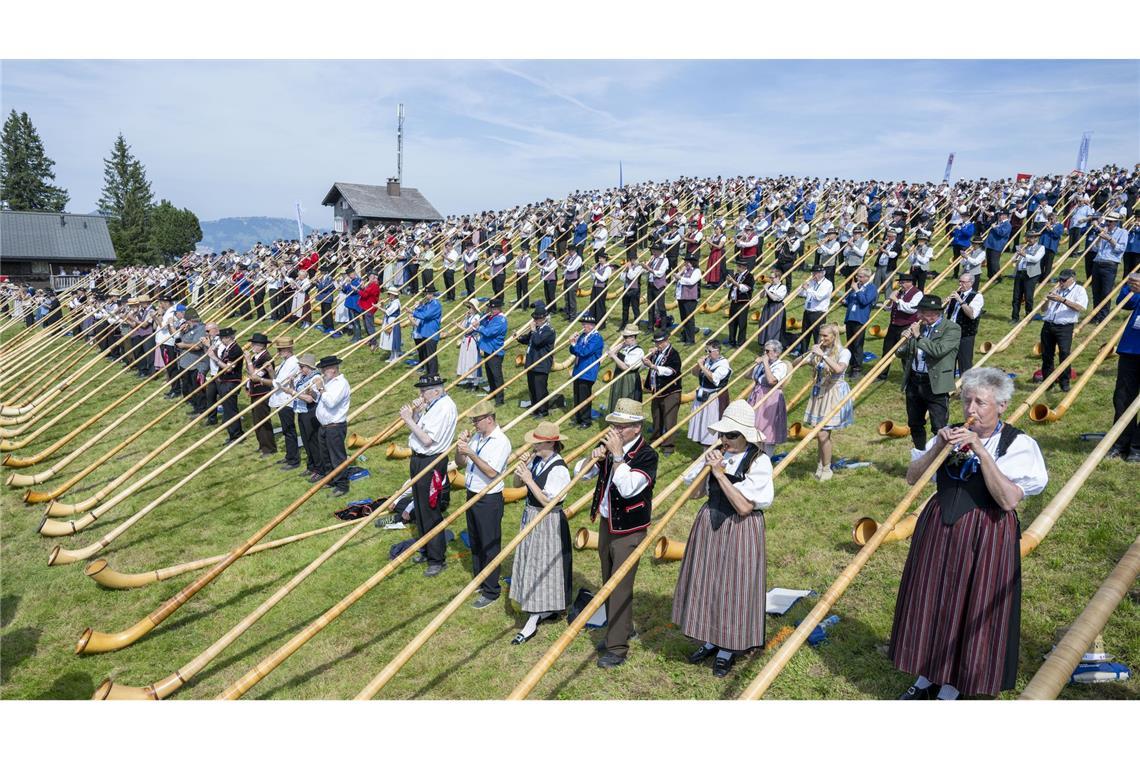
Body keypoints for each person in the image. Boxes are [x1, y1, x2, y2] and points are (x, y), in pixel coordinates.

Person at [891, 367, 1048, 700]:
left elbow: (1007, 499)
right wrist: (938, 448)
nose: (971, 410)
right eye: (966, 401)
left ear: (1001, 406)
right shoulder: (949, 433)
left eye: (980, 403)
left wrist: (980, 449)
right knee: (931, 601)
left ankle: (955, 684)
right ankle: (925, 676)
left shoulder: (1019, 444)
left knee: (969, 605)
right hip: (939, 528)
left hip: (985, 534)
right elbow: (912, 477)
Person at [673, 399, 774, 677]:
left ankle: (728, 647)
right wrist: (706, 469)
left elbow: (743, 506)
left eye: (731, 435)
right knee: (707, 581)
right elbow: (694, 494)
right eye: (722, 434)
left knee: (734, 586)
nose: (724, 439)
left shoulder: (759, 461)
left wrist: (720, 474)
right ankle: (709, 638)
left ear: (745, 436)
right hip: (711, 522)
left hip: (740, 528)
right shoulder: (716, 453)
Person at [577, 398, 659, 669]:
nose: (614, 431)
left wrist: (617, 457)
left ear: (636, 427)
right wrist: (592, 460)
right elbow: (583, 475)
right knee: (608, 583)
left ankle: (617, 647)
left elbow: (628, 487)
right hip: (607, 524)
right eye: (613, 425)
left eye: (620, 427)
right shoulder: (612, 449)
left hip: (629, 530)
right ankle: (620, 629)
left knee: (619, 587)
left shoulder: (647, 455)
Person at [509, 421, 573, 644]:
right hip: (531, 516)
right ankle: (539, 606)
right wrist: (521, 472)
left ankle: (536, 614)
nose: (533, 447)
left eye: (537, 444)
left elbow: (549, 500)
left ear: (550, 443)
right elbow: (518, 485)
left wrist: (529, 479)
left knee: (542, 565)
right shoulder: (537, 460)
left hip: (547, 521)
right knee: (530, 561)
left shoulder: (559, 469)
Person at [454, 400, 513, 609]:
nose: (474, 424)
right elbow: (461, 464)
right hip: (472, 493)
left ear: (489, 419)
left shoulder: (501, 441)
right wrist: (460, 449)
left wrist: (471, 452)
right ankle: (480, 579)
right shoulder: (478, 437)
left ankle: (491, 590)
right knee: (476, 540)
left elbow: (491, 472)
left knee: (489, 545)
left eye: (476, 420)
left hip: (489, 499)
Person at [399, 374, 458, 576]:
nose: (420, 394)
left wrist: (407, 420)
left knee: (430, 510)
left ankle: (437, 559)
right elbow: (420, 430)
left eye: (424, 391)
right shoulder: (433, 405)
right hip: (419, 459)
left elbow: (427, 440)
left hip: (430, 461)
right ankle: (425, 547)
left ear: (436, 390)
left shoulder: (444, 407)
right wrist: (415, 414)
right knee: (420, 506)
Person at [898, 295, 962, 451]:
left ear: (934, 313)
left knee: (939, 426)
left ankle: (938, 461)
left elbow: (938, 351)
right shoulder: (921, 328)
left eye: (921, 313)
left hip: (935, 383)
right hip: (914, 381)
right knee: (915, 423)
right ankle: (920, 454)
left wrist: (918, 336)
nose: (918, 316)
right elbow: (903, 353)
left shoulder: (952, 329)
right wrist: (904, 341)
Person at [800, 323, 854, 481]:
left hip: (834, 393)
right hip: (820, 392)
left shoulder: (844, 352)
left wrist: (822, 356)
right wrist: (807, 355)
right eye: (820, 335)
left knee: (823, 434)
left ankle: (827, 467)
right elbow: (796, 364)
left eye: (825, 336)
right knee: (820, 433)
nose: (822, 338)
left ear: (834, 336)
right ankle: (821, 464)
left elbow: (838, 369)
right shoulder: (820, 350)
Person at [1107, 272, 1140, 462]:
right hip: (1131, 348)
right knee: (1122, 398)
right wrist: (1129, 285)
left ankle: (1137, 446)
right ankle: (1120, 442)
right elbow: (1125, 302)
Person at [1038, 268, 1088, 392]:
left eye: (1064, 280)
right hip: (1048, 325)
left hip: (1064, 327)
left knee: (1064, 355)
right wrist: (1047, 300)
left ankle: (1064, 382)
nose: (1061, 282)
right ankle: (1047, 382)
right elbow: (1043, 310)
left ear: (1073, 279)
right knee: (1047, 355)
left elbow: (1080, 308)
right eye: (1060, 279)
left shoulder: (1079, 290)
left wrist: (1062, 300)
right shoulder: (1057, 289)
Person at [313, 355, 351, 497]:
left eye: (324, 369)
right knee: (326, 456)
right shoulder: (328, 381)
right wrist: (313, 392)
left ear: (333, 369)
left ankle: (342, 485)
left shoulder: (341, 384)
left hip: (335, 426)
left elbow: (331, 402)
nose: (322, 372)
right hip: (324, 426)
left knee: (337, 457)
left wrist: (321, 389)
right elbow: (320, 400)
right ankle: (331, 480)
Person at [878, 271, 923, 381]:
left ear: (910, 283)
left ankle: (908, 377)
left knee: (905, 353)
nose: (900, 285)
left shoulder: (917, 293)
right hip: (894, 325)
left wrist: (896, 300)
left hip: (907, 326)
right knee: (887, 350)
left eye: (902, 282)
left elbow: (911, 309)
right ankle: (882, 374)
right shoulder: (899, 293)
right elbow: (890, 308)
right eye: (900, 282)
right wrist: (889, 303)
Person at [643, 329, 682, 456]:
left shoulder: (673, 354)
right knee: (656, 417)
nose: (657, 345)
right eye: (656, 343)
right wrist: (648, 357)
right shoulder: (656, 353)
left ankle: (668, 446)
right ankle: (655, 440)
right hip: (657, 391)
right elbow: (646, 366)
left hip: (670, 392)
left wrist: (653, 366)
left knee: (669, 419)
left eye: (659, 343)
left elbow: (671, 371)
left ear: (666, 341)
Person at [747, 340, 789, 456]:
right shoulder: (762, 364)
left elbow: (772, 381)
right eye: (764, 350)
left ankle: (766, 458)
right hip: (757, 396)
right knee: (755, 428)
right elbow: (747, 376)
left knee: (767, 430)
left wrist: (765, 363)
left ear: (776, 353)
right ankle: (754, 457)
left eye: (767, 351)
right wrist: (755, 365)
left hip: (770, 399)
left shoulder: (780, 366)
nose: (764, 353)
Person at [687, 340, 732, 445]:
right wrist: (698, 365)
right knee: (701, 421)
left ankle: (711, 447)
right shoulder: (708, 360)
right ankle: (703, 448)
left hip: (714, 396)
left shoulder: (723, 364)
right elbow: (694, 373)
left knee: (710, 422)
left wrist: (702, 367)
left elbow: (714, 379)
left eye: (709, 351)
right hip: (702, 394)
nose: (707, 353)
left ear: (717, 351)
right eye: (706, 350)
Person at [268, 336, 302, 470]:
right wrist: (271, 372)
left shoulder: (293, 362)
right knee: (286, 430)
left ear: (288, 349)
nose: (279, 352)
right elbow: (277, 380)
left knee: (289, 430)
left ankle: (294, 460)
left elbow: (279, 383)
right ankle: (289, 456)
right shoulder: (285, 361)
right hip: (281, 399)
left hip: (287, 400)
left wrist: (260, 379)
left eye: (281, 350)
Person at [517, 301, 556, 416]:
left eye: (537, 319)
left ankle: (543, 411)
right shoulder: (537, 329)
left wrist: (533, 330)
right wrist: (518, 337)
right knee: (532, 388)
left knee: (540, 389)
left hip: (541, 364)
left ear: (544, 319)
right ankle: (535, 408)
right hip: (532, 362)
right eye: (535, 319)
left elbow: (537, 341)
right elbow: (528, 339)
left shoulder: (548, 330)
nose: (535, 321)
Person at [1089, 212, 1129, 323]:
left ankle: (1103, 317)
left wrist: (1109, 239)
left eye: (1110, 221)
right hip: (1098, 262)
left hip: (1110, 264)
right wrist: (1098, 239)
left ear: (1116, 222)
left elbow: (1120, 249)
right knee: (1096, 291)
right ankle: (1095, 315)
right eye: (1107, 221)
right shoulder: (1103, 231)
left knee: (1106, 292)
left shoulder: (1123, 232)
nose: (1108, 223)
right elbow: (1095, 249)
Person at [244, 333, 278, 457]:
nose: (252, 346)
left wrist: (248, 361)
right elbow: (249, 373)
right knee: (256, 420)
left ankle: (269, 448)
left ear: (262, 346)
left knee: (262, 421)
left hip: (262, 392)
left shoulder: (266, 358)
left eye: (255, 344)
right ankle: (262, 444)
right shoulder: (256, 357)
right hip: (255, 392)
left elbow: (254, 377)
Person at [568, 312, 604, 428]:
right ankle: (578, 418)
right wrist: (573, 344)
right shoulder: (584, 336)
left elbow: (584, 352)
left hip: (588, 372)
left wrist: (574, 345)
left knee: (584, 397)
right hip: (578, 370)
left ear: (592, 325)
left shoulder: (596, 338)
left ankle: (586, 420)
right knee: (577, 395)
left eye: (585, 324)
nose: (583, 326)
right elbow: (574, 351)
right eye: (583, 324)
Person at [945, 273, 984, 376]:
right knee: (948, 363)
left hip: (965, 335)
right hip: (950, 333)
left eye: (963, 282)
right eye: (960, 281)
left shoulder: (977, 296)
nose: (960, 284)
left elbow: (971, 314)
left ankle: (965, 390)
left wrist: (960, 301)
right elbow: (947, 313)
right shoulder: (956, 294)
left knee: (965, 364)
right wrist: (946, 303)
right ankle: (948, 389)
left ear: (971, 283)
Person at [292, 353, 323, 479]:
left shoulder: (316, 378)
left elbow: (310, 399)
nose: (300, 369)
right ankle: (311, 466)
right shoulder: (304, 378)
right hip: (302, 411)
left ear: (308, 367)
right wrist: (290, 385)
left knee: (313, 441)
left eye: (302, 366)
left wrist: (293, 392)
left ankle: (319, 468)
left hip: (311, 412)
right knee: (306, 440)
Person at [210, 326, 244, 444]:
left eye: (222, 338)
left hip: (231, 382)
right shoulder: (228, 348)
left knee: (231, 410)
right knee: (228, 409)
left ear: (227, 338)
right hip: (225, 381)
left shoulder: (235, 350)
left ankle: (236, 435)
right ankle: (233, 433)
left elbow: (229, 368)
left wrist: (214, 358)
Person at [842, 267, 877, 380]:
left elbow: (864, 301)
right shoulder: (857, 286)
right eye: (858, 276)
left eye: (861, 276)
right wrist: (845, 301)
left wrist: (857, 290)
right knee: (850, 344)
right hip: (850, 318)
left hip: (860, 319)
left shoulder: (871, 288)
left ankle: (857, 369)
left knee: (857, 345)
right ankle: (851, 366)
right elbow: (850, 299)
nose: (858, 278)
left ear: (867, 277)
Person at [795, 265, 834, 354]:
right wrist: (802, 288)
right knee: (805, 334)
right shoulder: (812, 282)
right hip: (808, 311)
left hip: (818, 313)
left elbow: (819, 297)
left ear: (821, 273)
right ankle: (803, 353)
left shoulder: (827, 284)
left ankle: (818, 354)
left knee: (818, 335)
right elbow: (803, 294)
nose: (813, 275)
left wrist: (808, 289)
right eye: (813, 273)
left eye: (815, 273)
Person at [606, 325, 645, 414]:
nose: (624, 339)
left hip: (629, 379)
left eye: (625, 337)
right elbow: (610, 354)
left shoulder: (638, 351)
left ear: (632, 337)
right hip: (619, 376)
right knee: (616, 397)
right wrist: (621, 346)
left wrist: (614, 357)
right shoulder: (625, 347)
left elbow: (625, 367)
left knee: (626, 400)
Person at [476, 297, 508, 404]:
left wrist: (479, 328)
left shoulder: (500, 320)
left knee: (496, 375)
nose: (491, 310)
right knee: (489, 373)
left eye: (492, 309)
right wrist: (483, 315)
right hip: (488, 349)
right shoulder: (492, 317)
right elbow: (483, 323)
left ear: (499, 308)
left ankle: (500, 398)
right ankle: (493, 392)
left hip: (495, 351)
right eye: (490, 308)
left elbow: (489, 332)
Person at [1010, 231, 1046, 322]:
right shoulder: (1022, 247)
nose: (1029, 239)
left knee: (1028, 297)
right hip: (1019, 273)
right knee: (1016, 297)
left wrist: (1024, 254)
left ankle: (1028, 317)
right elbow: (1013, 260)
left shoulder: (1041, 248)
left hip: (1031, 274)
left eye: (1031, 237)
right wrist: (1016, 255)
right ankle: (1015, 317)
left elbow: (1035, 259)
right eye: (1028, 237)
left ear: (1036, 238)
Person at [411, 286, 442, 376]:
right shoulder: (427, 303)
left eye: (427, 294)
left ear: (431, 294)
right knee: (426, 355)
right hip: (424, 332)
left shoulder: (436, 304)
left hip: (431, 333)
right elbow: (421, 311)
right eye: (425, 293)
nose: (425, 295)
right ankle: (428, 372)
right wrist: (418, 306)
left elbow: (426, 315)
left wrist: (413, 313)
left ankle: (433, 374)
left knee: (431, 355)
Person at [724, 257, 754, 348]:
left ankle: (741, 342)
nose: (737, 267)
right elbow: (728, 286)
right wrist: (728, 281)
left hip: (742, 302)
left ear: (744, 267)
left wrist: (734, 282)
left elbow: (745, 288)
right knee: (732, 322)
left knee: (742, 323)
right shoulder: (737, 275)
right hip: (734, 301)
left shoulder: (749, 276)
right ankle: (731, 341)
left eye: (739, 266)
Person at [757, 264, 788, 348]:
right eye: (770, 278)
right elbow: (761, 296)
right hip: (768, 307)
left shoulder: (783, 287)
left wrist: (767, 290)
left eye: (772, 278)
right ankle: (764, 344)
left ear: (778, 278)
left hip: (776, 308)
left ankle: (773, 346)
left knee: (773, 327)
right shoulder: (770, 285)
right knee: (765, 326)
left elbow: (775, 298)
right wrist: (764, 289)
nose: (771, 279)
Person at [675, 253, 702, 344]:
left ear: (692, 262)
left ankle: (691, 339)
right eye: (685, 261)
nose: (685, 263)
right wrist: (680, 273)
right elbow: (676, 279)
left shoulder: (697, 271)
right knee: (683, 318)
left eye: (687, 262)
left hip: (690, 298)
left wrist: (680, 277)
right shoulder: (685, 271)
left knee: (689, 319)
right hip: (682, 297)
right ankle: (685, 336)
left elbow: (691, 282)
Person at [456, 299, 482, 387]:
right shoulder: (470, 317)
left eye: (470, 307)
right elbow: (463, 326)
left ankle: (475, 383)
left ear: (474, 308)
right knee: (466, 360)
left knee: (472, 360)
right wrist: (464, 318)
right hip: (466, 340)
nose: (469, 309)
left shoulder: (476, 317)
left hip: (472, 341)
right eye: (468, 307)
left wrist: (456, 325)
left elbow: (468, 331)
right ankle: (469, 380)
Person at [618, 250, 643, 329]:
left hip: (635, 290)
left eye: (633, 259)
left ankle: (637, 324)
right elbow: (622, 278)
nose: (631, 261)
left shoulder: (639, 267)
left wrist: (629, 268)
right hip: (626, 288)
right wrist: (625, 270)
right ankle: (624, 324)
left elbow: (632, 276)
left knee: (635, 308)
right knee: (625, 308)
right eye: (630, 259)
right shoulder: (629, 267)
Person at [378, 286, 402, 363]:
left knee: (394, 339)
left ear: (393, 295)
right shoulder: (392, 302)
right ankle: (392, 356)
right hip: (389, 321)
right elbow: (386, 309)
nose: (388, 296)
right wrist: (381, 305)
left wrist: (379, 307)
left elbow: (388, 311)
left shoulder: (396, 303)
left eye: (390, 294)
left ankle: (396, 356)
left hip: (393, 322)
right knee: (390, 339)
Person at [589, 251, 613, 328]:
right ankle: (593, 322)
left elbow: (603, 279)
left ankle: (601, 324)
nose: (600, 260)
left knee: (600, 305)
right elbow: (593, 278)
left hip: (602, 288)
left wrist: (595, 272)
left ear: (605, 259)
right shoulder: (598, 267)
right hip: (595, 287)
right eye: (599, 258)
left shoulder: (608, 268)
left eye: (601, 258)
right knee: (593, 304)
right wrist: (592, 272)